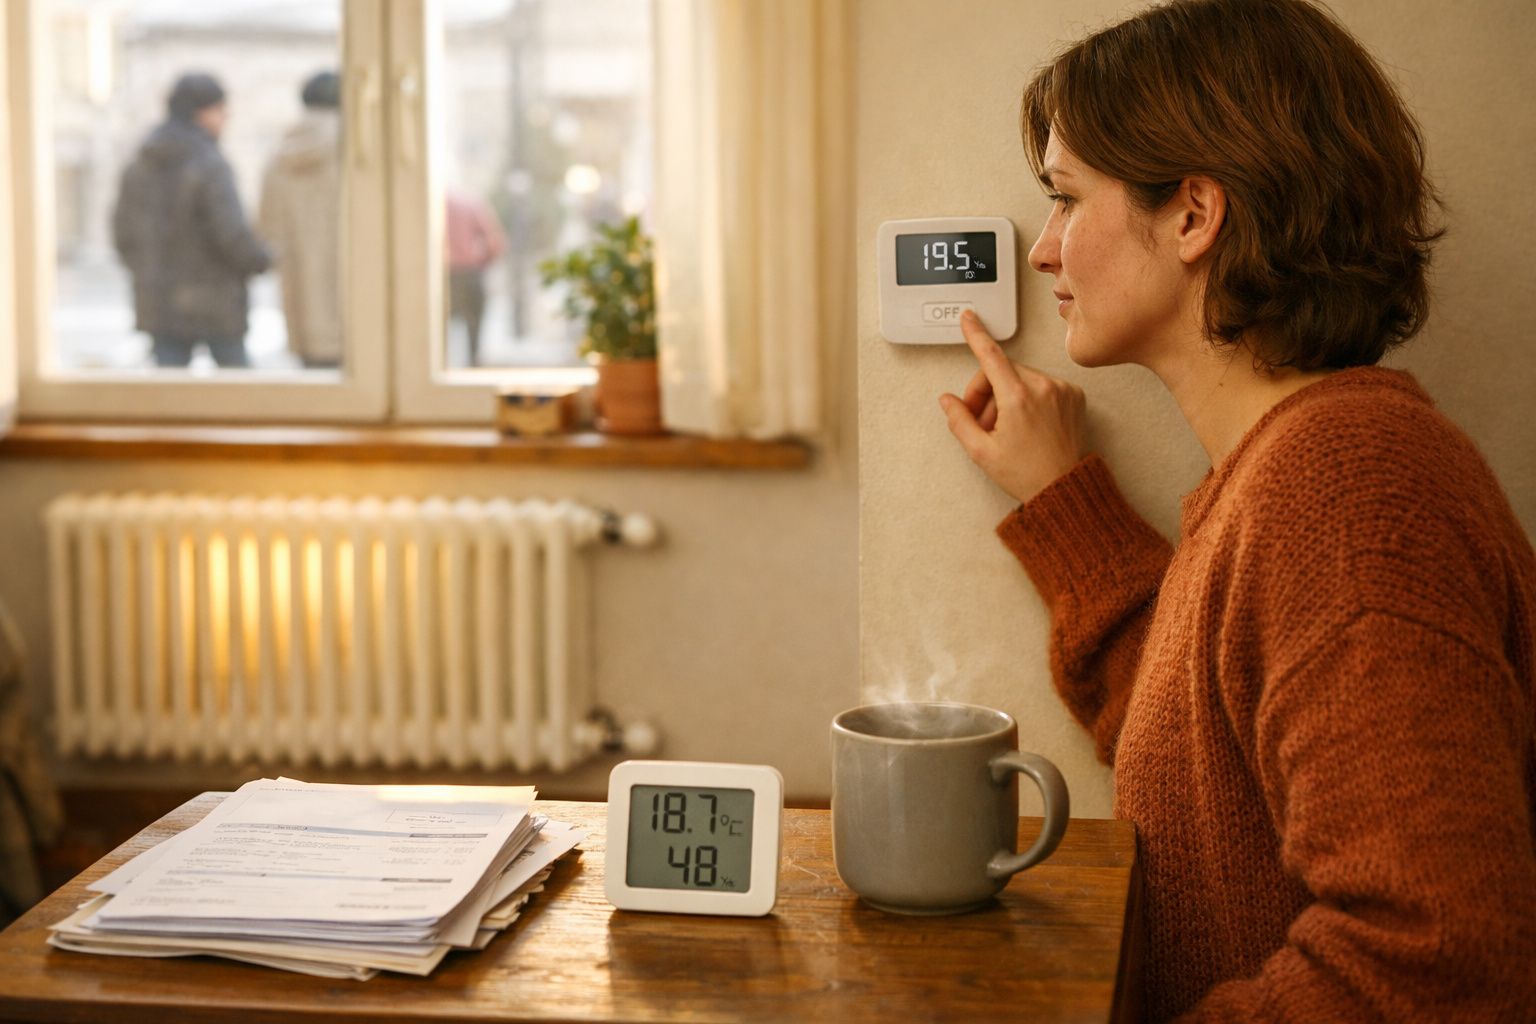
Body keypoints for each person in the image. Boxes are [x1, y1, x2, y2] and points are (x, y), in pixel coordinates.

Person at [938, 0, 1536, 1020]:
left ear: (1193, 216)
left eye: (1069, 198)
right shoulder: (1295, 473)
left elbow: (1435, 960)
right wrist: (1063, 503)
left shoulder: (1343, 495)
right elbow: (1198, 757)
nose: (1043, 252)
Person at [112, 72, 271, 369]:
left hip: (159, 301)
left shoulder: (141, 163)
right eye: (221, 110)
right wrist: (261, 259)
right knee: (242, 397)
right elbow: (231, 232)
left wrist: (148, 273)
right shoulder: (209, 163)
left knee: (171, 398)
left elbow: (123, 234)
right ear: (203, 112)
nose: (226, 118)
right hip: (216, 302)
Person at [259, 70, 343, 370]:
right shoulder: (361, 151)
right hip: (355, 301)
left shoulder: (280, 155)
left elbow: (266, 228)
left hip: (302, 300)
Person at [444, 188, 506, 366]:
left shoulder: (433, 203)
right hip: (469, 272)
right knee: (474, 332)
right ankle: (472, 366)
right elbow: (495, 241)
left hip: (443, 274)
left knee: (438, 332)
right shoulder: (472, 203)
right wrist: (481, 263)